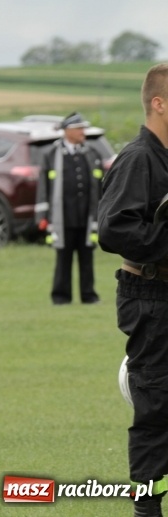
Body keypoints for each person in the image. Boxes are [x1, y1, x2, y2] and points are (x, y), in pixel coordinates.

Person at [98, 63, 168, 517]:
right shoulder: (138, 158)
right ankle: (147, 507)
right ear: (160, 104)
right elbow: (113, 230)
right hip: (151, 297)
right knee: (157, 401)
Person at [35, 111, 105, 305]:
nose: (83, 131)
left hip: (86, 217)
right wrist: (42, 216)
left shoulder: (92, 154)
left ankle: (88, 295)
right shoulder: (51, 155)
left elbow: (100, 187)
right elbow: (43, 188)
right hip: (62, 218)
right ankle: (61, 296)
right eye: (79, 128)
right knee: (63, 261)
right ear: (67, 131)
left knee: (87, 260)